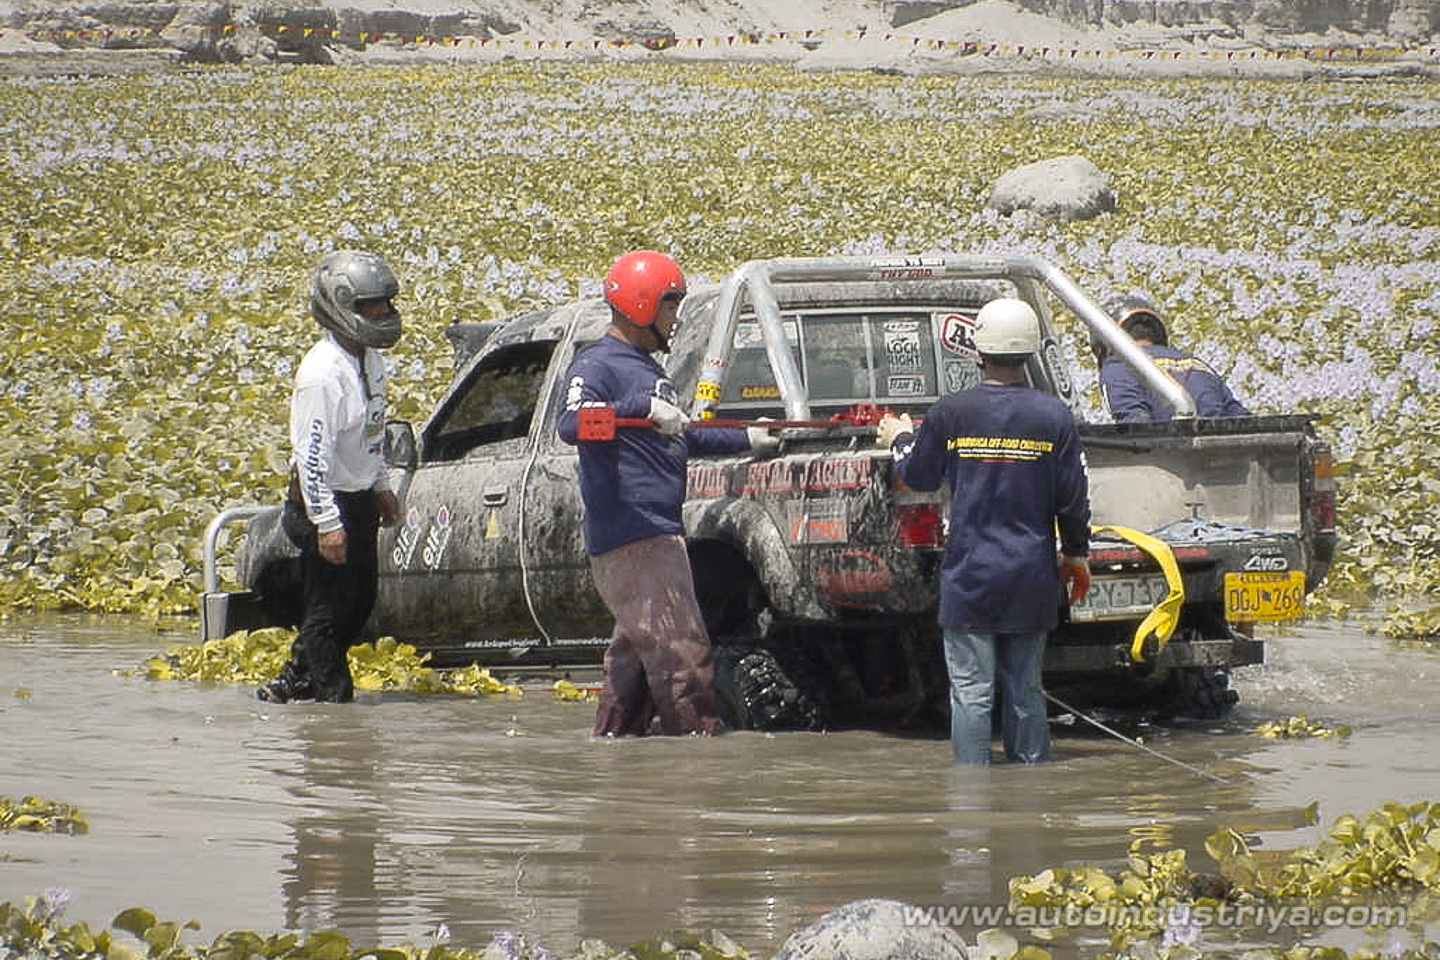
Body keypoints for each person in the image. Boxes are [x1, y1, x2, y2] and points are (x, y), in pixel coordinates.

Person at [556, 250, 777, 736]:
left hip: (654, 532)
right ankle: (696, 758)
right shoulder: (597, 364)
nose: (676, 317)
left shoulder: (649, 369)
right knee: (684, 657)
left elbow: (683, 436)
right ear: (641, 305)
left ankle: (614, 754)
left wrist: (746, 436)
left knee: (633, 665)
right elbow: (572, 424)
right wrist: (640, 408)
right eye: (670, 305)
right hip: (636, 534)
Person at [875, 298, 1091, 765]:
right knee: (1026, 690)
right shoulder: (1053, 416)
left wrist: (900, 438)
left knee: (971, 693)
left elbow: (918, 475)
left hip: (970, 575)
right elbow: (1073, 498)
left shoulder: (951, 413)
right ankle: (1032, 788)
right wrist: (1077, 553)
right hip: (1031, 575)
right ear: (1030, 351)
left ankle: (971, 793)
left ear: (978, 350)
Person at [258, 250, 403, 704]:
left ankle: (294, 680)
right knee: (327, 612)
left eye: (385, 303)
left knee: (358, 603)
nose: (382, 311)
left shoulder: (369, 360)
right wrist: (327, 523)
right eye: (371, 305)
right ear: (341, 308)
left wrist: (380, 486)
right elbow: (311, 457)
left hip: (356, 498)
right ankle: (334, 711)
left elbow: (371, 431)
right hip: (321, 504)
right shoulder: (321, 374)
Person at [1097, 293, 1251, 422]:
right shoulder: (1198, 363)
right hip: (1220, 447)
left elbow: (1134, 423)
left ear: (1105, 342)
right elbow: (1243, 419)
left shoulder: (1117, 365)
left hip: (1168, 448)